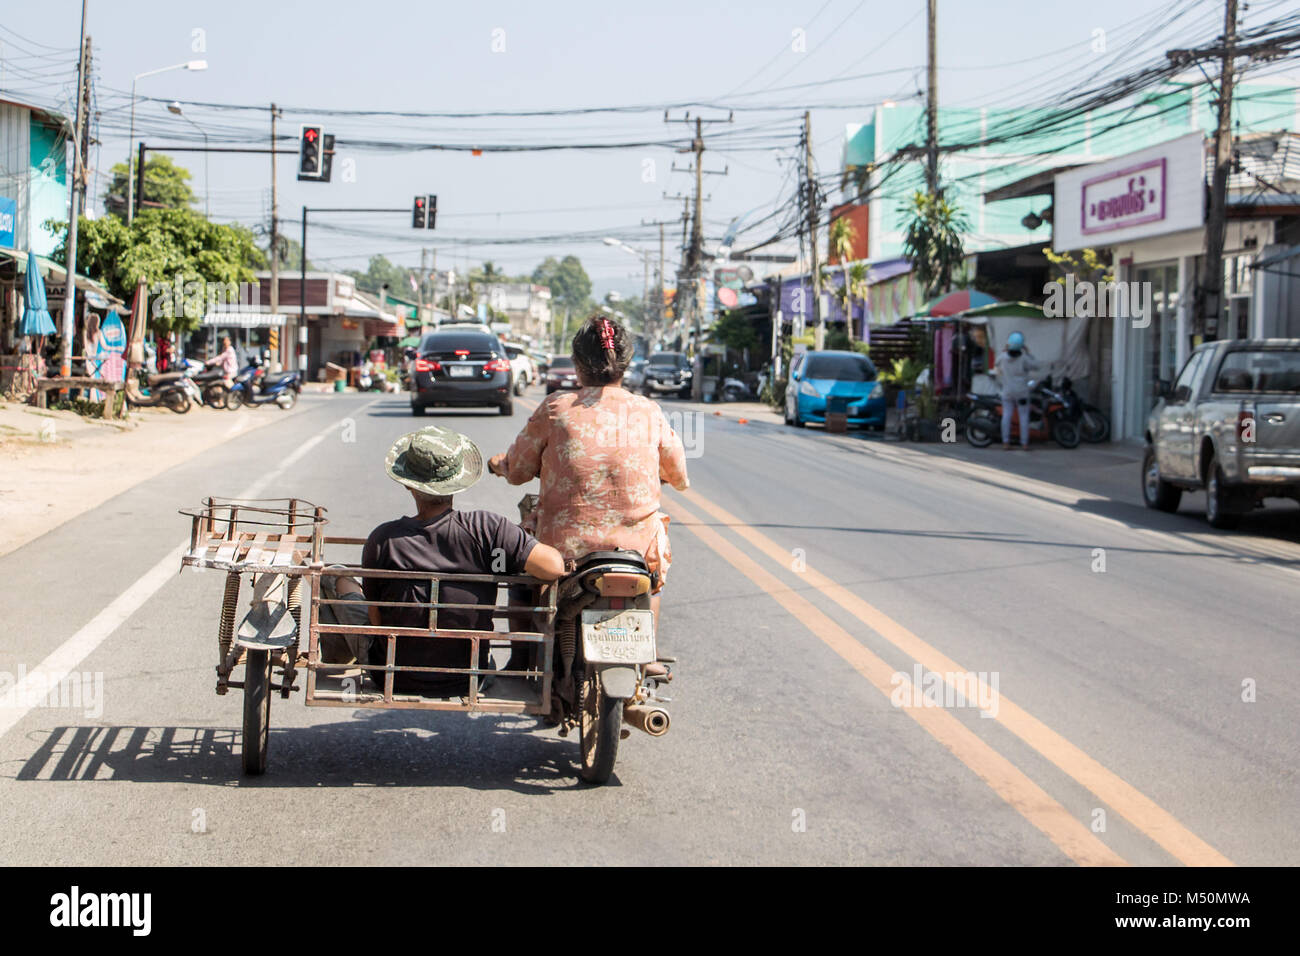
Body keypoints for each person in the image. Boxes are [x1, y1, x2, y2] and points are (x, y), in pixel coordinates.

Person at [487, 313, 690, 647]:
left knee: (520, 572)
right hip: (635, 554)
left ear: (577, 365)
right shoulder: (649, 411)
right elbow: (679, 477)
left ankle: (525, 659)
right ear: (626, 364)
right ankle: (647, 650)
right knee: (653, 579)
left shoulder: (556, 408)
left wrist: (501, 466)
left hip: (563, 555)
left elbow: (519, 471)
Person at [351, 425, 565, 696]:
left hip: (393, 675)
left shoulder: (381, 539)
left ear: (407, 483)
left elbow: (377, 619)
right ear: (459, 481)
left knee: (340, 579)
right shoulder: (488, 528)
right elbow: (554, 567)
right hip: (471, 677)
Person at [994, 331, 1039, 450]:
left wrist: (1005, 348)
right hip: (1022, 392)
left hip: (1007, 392)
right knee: (1023, 417)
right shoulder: (1024, 358)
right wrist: (1028, 352)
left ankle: (1006, 442)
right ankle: (1024, 443)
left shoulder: (1003, 357)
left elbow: (996, 363)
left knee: (1006, 416)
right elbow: (1036, 366)